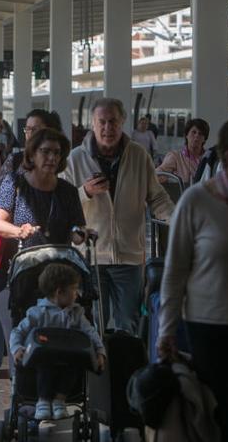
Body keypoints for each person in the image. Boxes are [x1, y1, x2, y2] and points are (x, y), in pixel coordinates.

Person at [158, 117, 228, 442]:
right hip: (210, 324)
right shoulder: (197, 202)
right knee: (219, 411)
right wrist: (166, 331)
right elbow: (175, 272)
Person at [63, 98, 174, 335]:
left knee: (129, 325)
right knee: (92, 326)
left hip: (129, 258)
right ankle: (97, 372)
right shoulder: (75, 159)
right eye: (101, 122)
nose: (107, 128)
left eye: (113, 121)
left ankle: (126, 370)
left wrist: (177, 220)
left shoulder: (138, 155)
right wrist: (85, 192)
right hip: (90, 257)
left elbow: (157, 197)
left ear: (122, 122)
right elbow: (62, 201)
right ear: (92, 124)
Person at [11, 263, 106, 421]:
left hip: (68, 361)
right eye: (74, 289)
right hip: (44, 362)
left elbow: (91, 332)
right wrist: (17, 348)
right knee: (45, 365)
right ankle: (43, 401)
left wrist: (100, 351)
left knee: (75, 365)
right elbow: (18, 331)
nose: (77, 294)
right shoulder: (38, 313)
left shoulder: (76, 314)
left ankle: (59, 400)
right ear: (59, 292)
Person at [0, 127, 86, 249]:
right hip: (23, 262)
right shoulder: (14, 182)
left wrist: (83, 234)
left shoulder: (69, 191)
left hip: (58, 264)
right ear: (31, 155)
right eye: (45, 151)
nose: (52, 158)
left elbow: (77, 236)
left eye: (57, 152)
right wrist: (19, 231)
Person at [0, 109, 56, 215]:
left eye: (35, 129)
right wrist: (0, 216)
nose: (30, 134)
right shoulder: (15, 160)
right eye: (27, 129)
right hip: (14, 228)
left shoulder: (58, 162)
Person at [157, 118, 209, 185]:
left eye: (200, 134)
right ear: (186, 135)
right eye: (194, 132)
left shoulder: (209, 157)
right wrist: (169, 179)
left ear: (204, 139)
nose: (197, 136)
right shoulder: (175, 157)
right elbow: (158, 173)